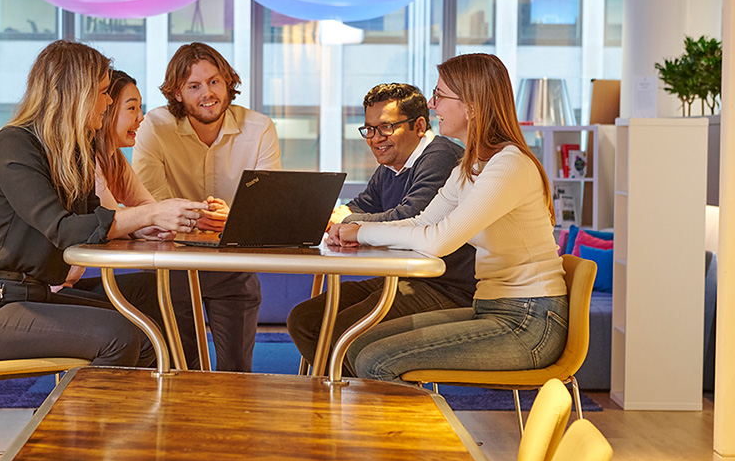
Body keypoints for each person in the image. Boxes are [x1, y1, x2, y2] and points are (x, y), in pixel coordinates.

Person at [0, 40, 209, 367]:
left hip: (32, 295)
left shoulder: (76, 153)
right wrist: (149, 213)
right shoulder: (14, 145)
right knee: (119, 335)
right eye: (103, 92)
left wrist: (141, 229)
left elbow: (94, 222)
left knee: (148, 315)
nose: (107, 102)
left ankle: (164, 407)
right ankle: (82, 419)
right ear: (76, 94)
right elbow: (64, 229)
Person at [328, 53, 568, 383]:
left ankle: (416, 436)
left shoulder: (509, 165)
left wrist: (361, 233)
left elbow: (439, 240)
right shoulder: (469, 167)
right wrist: (358, 229)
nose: (431, 103)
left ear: (471, 106)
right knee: (356, 347)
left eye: (439, 95)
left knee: (375, 361)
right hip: (491, 308)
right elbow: (422, 223)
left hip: (529, 320)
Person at [286, 83, 476, 367]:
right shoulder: (391, 166)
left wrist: (347, 222)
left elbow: (411, 217)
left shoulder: (441, 157)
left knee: (342, 332)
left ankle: (361, 401)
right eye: (369, 129)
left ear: (419, 125)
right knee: (305, 319)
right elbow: (363, 205)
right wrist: (338, 216)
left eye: (386, 128)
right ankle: (350, 395)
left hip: (448, 288)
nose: (375, 138)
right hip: (405, 278)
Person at [133, 42, 281, 371]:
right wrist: (223, 219)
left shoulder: (260, 129)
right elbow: (152, 206)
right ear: (176, 94)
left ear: (228, 82)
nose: (207, 93)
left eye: (214, 81)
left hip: (233, 267)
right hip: (171, 266)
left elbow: (266, 210)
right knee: (181, 371)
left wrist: (238, 219)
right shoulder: (154, 128)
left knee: (237, 373)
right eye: (194, 86)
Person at [93, 69, 154, 210]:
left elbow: (148, 207)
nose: (141, 117)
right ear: (106, 111)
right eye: (132, 108)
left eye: (139, 107)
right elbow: (114, 222)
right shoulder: (89, 161)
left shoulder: (115, 158)